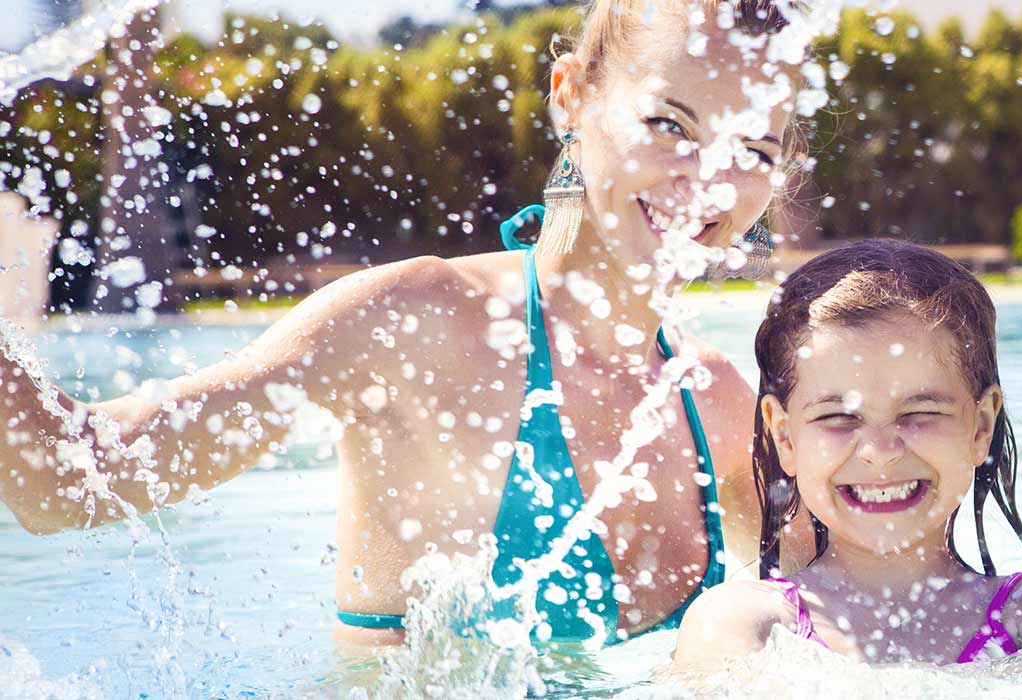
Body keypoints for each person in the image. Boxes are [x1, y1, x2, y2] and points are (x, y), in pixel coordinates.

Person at [0, 0, 811, 645]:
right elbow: (65, 482)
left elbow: (853, 620)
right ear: (572, 99)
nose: (706, 180)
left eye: (754, 152)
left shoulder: (723, 405)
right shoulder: (416, 327)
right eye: (669, 124)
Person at [670, 240, 1022, 665]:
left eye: (919, 412)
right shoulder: (744, 627)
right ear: (785, 437)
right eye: (838, 417)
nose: (880, 451)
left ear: (981, 426)